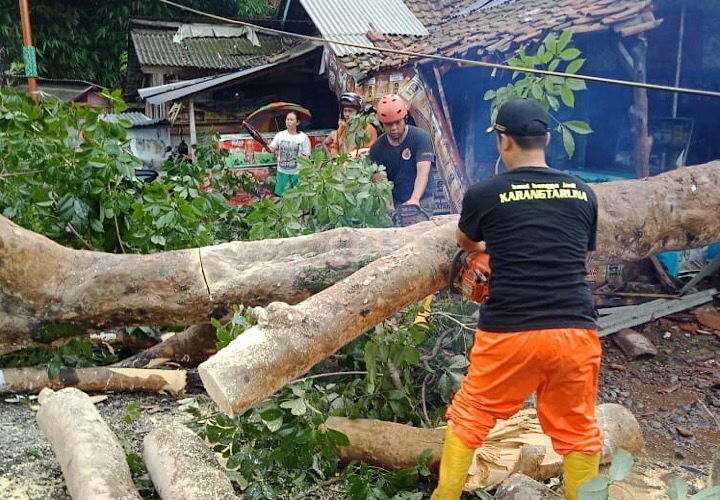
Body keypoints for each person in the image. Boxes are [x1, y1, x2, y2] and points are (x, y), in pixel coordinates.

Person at [432, 98, 601, 500]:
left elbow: (466, 242)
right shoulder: (582, 193)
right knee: (580, 431)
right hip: (575, 330)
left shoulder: (484, 193)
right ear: (546, 138)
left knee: (471, 414)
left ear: (504, 141)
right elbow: (580, 250)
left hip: (509, 331)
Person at [368, 94, 435, 225]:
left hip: (422, 199)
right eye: (388, 124)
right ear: (382, 124)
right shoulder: (377, 148)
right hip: (396, 200)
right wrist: (391, 211)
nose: (393, 128)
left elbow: (423, 172)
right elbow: (381, 184)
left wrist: (414, 200)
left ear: (405, 118)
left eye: (397, 122)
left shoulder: (421, 138)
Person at [266, 111, 311, 196]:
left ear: (297, 122)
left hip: (297, 174)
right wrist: (265, 146)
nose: (288, 121)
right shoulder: (280, 135)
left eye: (291, 119)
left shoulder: (303, 138)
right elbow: (271, 149)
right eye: (287, 119)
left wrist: (305, 174)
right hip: (282, 173)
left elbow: (307, 157)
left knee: (296, 198)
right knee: (281, 198)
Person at [329, 92, 377, 157]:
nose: (347, 114)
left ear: (358, 112)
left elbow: (369, 152)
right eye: (345, 111)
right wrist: (336, 158)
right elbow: (334, 146)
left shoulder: (368, 129)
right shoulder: (342, 127)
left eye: (350, 111)